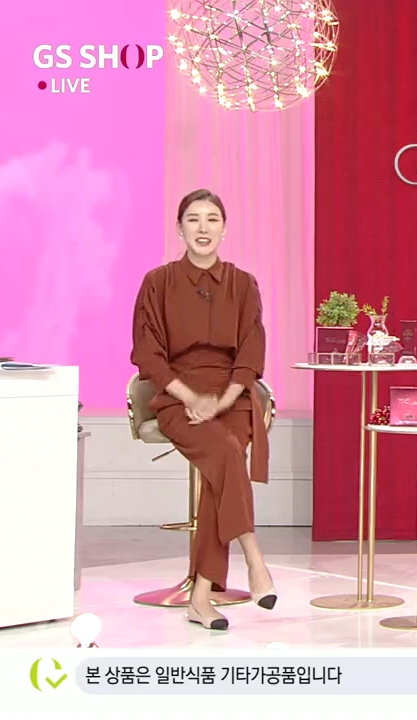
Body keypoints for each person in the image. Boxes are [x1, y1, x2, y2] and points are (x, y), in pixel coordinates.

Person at [131, 189, 277, 631]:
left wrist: (224, 400)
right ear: (179, 229)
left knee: (221, 471)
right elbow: (148, 354)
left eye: (212, 219)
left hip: (232, 397)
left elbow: (251, 351)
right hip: (178, 396)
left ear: (224, 229)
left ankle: (199, 598)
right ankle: (255, 560)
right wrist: (191, 398)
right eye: (193, 219)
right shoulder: (157, 282)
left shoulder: (243, 283)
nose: (203, 228)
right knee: (227, 454)